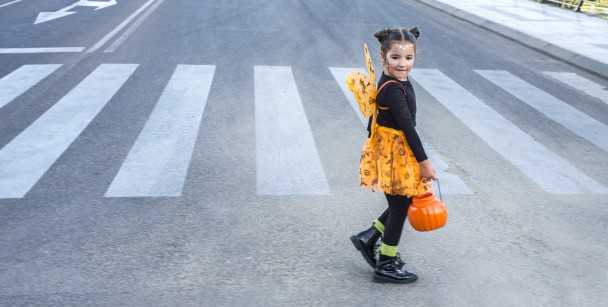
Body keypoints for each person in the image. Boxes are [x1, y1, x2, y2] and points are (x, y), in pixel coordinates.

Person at [350, 27, 437, 284]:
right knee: (400, 207)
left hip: (396, 150)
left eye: (408, 58)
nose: (403, 64)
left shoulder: (398, 81)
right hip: (394, 153)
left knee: (402, 202)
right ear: (383, 57)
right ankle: (386, 263)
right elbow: (408, 127)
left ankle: (369, 238)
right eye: (396, 58)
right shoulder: (392, 89)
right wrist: (424, 163)